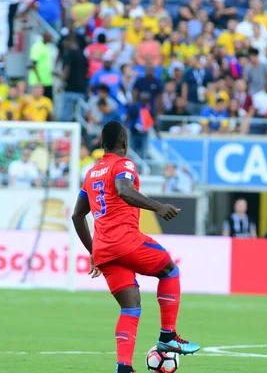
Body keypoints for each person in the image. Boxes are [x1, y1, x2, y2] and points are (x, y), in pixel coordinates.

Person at [71, 121, 200, 373]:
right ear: (125, 143)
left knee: (130, 307)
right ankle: (167, 336)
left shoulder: (91, 173)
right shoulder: (124, 164)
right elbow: (124, 190)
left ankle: (124, 368)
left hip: (104, 250)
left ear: (101, 144)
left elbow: (77, 215)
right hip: (125, 241)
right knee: (170, 271)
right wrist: (158, 207)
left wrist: (92, 251)